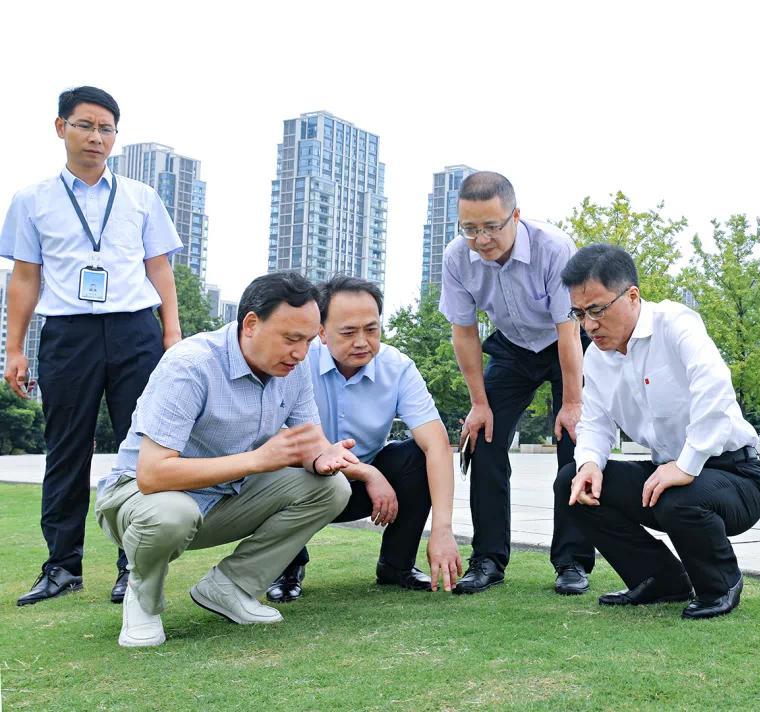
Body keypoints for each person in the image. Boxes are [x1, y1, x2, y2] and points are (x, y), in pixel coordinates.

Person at [93, 272, 354, 647]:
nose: (301, 352)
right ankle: (144, 600)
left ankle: (230, 587)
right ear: (251, 324)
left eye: (309, 340)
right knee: (172, 513)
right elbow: (151, 474)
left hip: (224, 497)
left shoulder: (294, 369)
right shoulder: (190, 364)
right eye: (291, 338)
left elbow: (309, 440)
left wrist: (324, 458)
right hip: (139, 500)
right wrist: (257, 460)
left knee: (332, 488)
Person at [1, 86, 183, 606]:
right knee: (65, 451)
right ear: (61, 128)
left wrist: (171, 332)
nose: (96, 137)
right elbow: (25, 278)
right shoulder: (32, 199)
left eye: (106, 129)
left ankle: (135, 565)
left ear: (115, 137)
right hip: (68, 333)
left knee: (143, 449)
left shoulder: (141, 197)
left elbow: (159, 268)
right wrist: (14, 348)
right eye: (85, 125)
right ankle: (61, 567)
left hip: (134, 331)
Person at [555, 244, 760, 619]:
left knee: (678, 497)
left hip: (736, 475)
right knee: (572, 483)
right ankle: (660, 579)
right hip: (667, 473)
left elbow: (714, 387)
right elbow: (595, 423)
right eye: (579, 313)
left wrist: (686, 465)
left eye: (597, 310)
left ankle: (721, 582)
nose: (588, 325)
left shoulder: (675, 322)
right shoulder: (597, 358)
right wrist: (589, 463)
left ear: (632, 295)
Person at [439, 171, 594, 595]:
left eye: (492, 227)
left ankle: (572, 562)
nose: (481, 239)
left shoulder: (554, 248)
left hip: (566, 345)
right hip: (512, 347)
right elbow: (464, 333)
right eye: (470, 228)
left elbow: (568, 331)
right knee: (483, 439)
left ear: (515, 216)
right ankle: (488, 558)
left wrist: (573, 403)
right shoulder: (456, 258)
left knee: (575, 442)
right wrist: (478, 403)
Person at [265, 276, 462, 601]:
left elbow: (437, 444)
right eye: (348, 332)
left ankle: (396, 566)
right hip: (303, 482)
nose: (362, 341)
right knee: (277, 466)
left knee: (415, 455)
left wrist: (442, 528)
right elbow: (279, 441)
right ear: (322, 333)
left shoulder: (397, 368)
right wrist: (365, 472)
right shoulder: (296, 363)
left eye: (371, 330)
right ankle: (287, 567)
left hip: (364, 492)